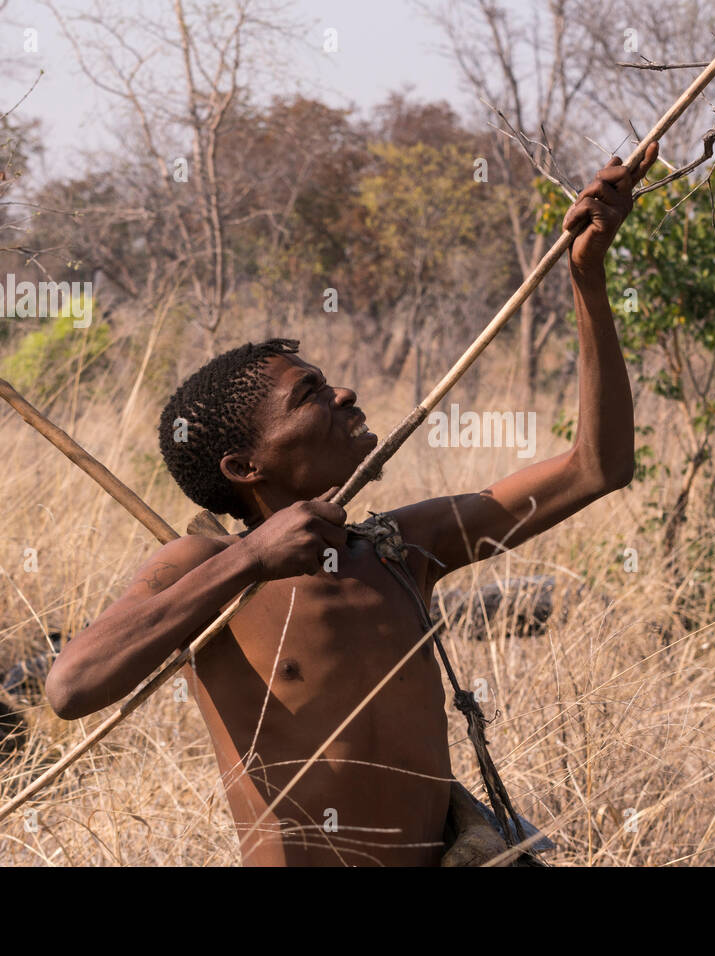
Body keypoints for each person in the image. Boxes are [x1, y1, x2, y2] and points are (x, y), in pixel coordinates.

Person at [45, 144, 659, 866]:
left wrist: (587, 278)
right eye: (309, 394)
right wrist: (251, 556)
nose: (343, 395)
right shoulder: (205, 565)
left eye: (328, 381)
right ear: (245, 467)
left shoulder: (403, 548)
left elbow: (598, 466)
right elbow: (71, 686)